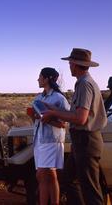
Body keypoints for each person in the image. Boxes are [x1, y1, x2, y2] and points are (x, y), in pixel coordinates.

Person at [42, 48, 107, 205]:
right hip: (81, 142)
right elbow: (77, 114)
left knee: (90, 189)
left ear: (75, 64)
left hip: (86, 141)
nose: (69, 65)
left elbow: (80, 118)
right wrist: (53, 109)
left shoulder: (85, 84)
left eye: (70, 63)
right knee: (68, 179)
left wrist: (53, 114)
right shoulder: (83, 83)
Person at [29, 67, 69, 205]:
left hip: (52, 141)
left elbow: (64, 123)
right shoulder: (39, 98)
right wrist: (33, 116)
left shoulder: (59, 98)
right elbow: (38, 120)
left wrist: (48, 119)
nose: (38, 79)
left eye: (40, 76)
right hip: (39, 140)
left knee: (41, 175)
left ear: (47, 79)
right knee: (50, 176)